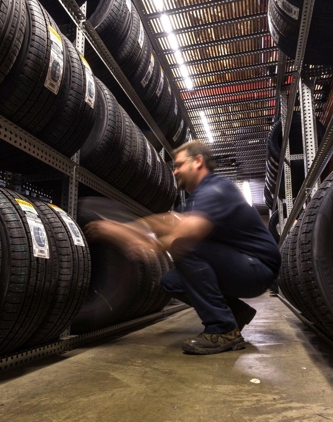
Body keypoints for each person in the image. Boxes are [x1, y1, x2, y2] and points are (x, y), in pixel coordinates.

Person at [84, 140, 281, 355]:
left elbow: (187, 233)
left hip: (257, 267)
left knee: (183, 246)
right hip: (241, 265)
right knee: (171, 282)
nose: (175, 171)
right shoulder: (197, 198)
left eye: (178, 165)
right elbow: (168, 221)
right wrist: (123, 228)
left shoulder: (217, 188)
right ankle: (235, 315)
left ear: (197, 161)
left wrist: (145, 244)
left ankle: (223, 330)